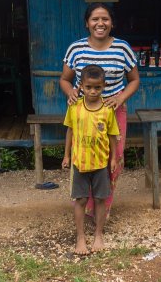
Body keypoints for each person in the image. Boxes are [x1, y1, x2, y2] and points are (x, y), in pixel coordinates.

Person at [60, 2, 140, 219]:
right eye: (95, 19)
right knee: (85, 155)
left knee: (114, 158)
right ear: (87, 23)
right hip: (84, 113)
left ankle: (102, 207)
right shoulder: (75, 49)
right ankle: (86, 204)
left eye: (105, 19)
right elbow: (65, 80)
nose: (100, 23)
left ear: (112, 23)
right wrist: (71, 93)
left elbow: (134, 80)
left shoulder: (122, 48)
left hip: (113, 111)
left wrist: (120, 97)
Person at [61, 64, 119, 254]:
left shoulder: (107, 109)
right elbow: (70, 131)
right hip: (79, 163)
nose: (93, 91)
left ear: (104, 86)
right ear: (81, 86)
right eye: (88, 87)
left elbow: (112, 135)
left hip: (101, 163)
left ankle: (98, 236)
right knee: (81, 200)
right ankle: (80, 238)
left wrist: (113, 159)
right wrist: (66, 155)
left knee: (101, 199)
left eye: (97, 87)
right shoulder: (75, 107)